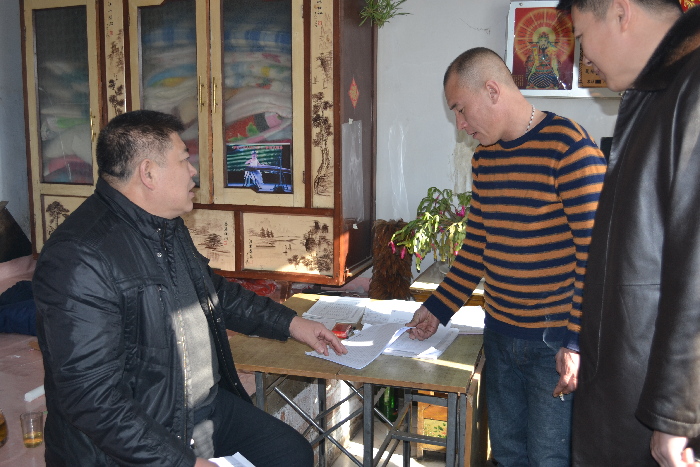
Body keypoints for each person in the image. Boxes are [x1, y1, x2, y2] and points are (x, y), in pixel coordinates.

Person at [32, 109, 347, 467]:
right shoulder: (79, 257)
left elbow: (212, 292)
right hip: (135, 434)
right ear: (148, 173)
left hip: (200, 410)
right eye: (184, 159)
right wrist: (184, 462)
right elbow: (92, 400)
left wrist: (291, 323)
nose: (193, 170)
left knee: (290, 453)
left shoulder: (164, 225)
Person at [406, 47, 606, 466]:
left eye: (461, 110)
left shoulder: (569, 148)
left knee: (549, 458)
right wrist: (438, 308)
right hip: (499, 335)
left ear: (492, 91)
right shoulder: (485, 159)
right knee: (508, 454)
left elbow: (597, 256)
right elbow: (477, 245)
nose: (461, 126)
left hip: (553, 344)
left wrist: (575, 341)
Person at [555, 1, 700, 465]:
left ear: (620, 13)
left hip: (656, 408)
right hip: (629, 384)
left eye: (581, 38)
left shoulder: (692, 88)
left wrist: (676, 414)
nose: (584, 58)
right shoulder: (657, 93)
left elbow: (696, 264)